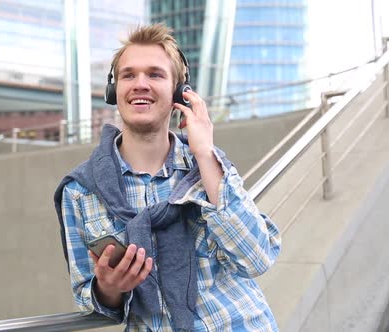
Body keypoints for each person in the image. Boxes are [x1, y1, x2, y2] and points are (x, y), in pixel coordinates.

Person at [54, 23, 281, 332]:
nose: (140, 84)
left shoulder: (209, 166)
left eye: (155, 74)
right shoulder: (81, 191)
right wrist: (110, 287)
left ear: (179, 92)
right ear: (113, 90)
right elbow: (88, 297)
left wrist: (204, 153)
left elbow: (256, 259)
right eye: (128, 75)